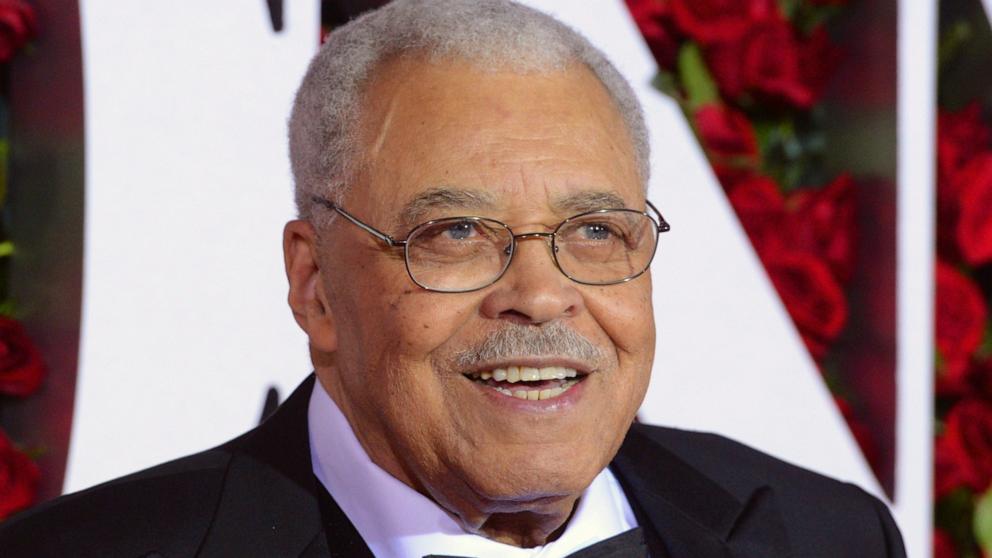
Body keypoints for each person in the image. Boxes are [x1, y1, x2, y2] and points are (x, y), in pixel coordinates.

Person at [0, 1, 905, 556]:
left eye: (595, 229)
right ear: (314, 285)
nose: (543, 295)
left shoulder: (825, 534)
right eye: (457, 233)